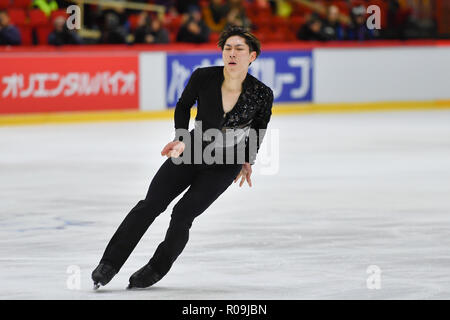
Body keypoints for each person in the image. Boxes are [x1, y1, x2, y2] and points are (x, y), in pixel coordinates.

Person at [91, 25, 274, 290]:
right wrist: (179, 138)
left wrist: (248, 159)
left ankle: (156, 268)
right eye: (227, 48)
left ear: (252, 56)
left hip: (225, 164)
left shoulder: (262, 93)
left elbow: (259, 127)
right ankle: (109, 263)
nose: (232, 53)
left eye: (239, 49)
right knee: (150, 205)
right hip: (191, 149)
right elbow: (183, 105)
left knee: (182, 215)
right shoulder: (203, 77)